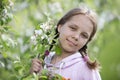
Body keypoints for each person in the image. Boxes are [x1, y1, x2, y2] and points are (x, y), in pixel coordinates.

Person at [30, 7, 101, 80]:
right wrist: (34, 76)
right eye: (73, 28)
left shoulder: (86, 70)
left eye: (84, 35)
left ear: (87, 41)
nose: (76, 37)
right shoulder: (44, 60)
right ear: (60, 27)